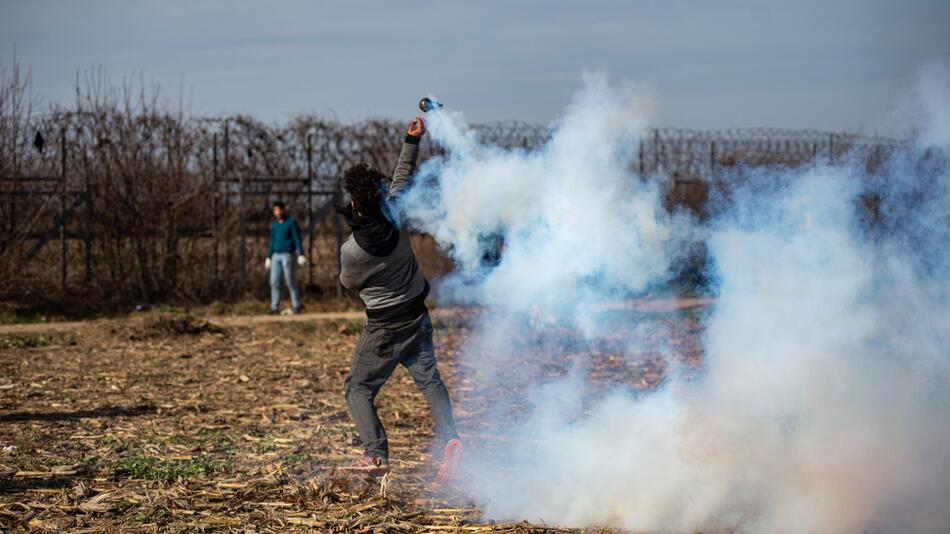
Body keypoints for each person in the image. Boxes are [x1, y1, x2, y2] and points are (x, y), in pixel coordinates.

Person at [337, 117, 462, 482]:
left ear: (355, 205)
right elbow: (402, 179)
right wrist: (411, 140)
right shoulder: (397, 213)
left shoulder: (353, 250)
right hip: (416, 316)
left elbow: (348, 283)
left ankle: (375, 455)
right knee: (430, 381)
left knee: (358, 388)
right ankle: (451, 440)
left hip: (384, 327)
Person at [265, 201, 306, 315]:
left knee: (290, 281)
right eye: (275, 211)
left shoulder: (291, 223)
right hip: (275, 256)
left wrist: (301, 253)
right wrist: (269, 257)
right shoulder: (274, 225)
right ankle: (274, 307)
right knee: (274, 282)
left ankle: (296, 305)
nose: (277, 213)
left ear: (283, 210)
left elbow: (296, 238)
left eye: (278, 210)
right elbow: (272, 242)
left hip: (288, 255)